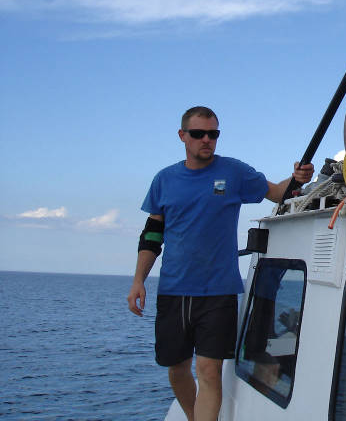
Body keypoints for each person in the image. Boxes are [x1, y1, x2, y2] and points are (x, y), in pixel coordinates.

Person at [126, 106, 313, 421]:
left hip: (219, 291)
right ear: (182, 136)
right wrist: (138, 280)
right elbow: (152, 234)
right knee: (177, 370)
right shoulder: (164, 180)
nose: (207, 140)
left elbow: (278, 193)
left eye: (213, 134)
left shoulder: (234, 173)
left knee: (209, 371)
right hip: (174, 289)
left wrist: (296, 179)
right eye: (199, 134)